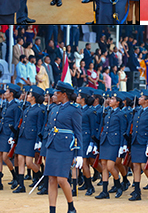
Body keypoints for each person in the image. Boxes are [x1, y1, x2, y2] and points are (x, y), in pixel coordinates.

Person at [43, 81, 82, 213]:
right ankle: (52, 210)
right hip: (52, 145)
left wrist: (79, 154)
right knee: (52, 179)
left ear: (64, 94)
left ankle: (71, 206)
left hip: (66, 147)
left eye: (57, 93)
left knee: (61, 178)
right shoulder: (54, 109)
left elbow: (78, 132)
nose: (54, 95)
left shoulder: (74, 109)